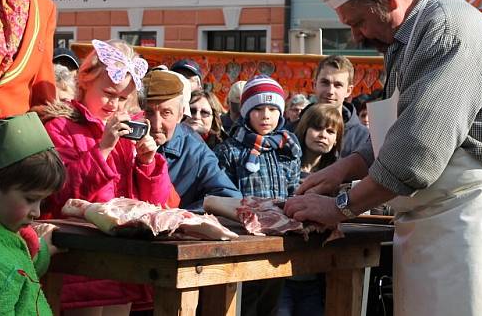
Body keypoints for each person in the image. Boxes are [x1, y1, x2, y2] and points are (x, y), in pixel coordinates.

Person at [284, 0, 482, 316]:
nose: (356, 36)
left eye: (359, 21)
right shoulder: (412, 37)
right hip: (437, 219)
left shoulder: (446, 28)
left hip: (467, 222)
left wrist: (340, 207)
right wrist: (343, 168)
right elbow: (398, 128)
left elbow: (416, 150)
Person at [38, 39, 170, 315]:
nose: (114, 103)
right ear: (85, 81)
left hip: (122, 261)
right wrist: (103, 148)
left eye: (123, 98)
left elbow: (153, 206)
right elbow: (58, 193)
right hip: (77, 260)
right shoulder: (61, 126)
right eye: (109, 93)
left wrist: (149, 165)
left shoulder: (128, 132)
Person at [214, 75, 301, 316]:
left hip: (279, 237)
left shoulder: (287, 147)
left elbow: (294, 189)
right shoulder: (230, 150)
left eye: (273, 109)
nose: (266, 116)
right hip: (242, 238)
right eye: (258, 109)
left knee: (271, 301)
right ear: (246, 112)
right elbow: (224, 195)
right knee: (243, 301)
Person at [0, 112, 66, 316]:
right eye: (30, 199)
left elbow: (20, 265)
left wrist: (43, 250)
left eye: (42, 201)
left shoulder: (0, 234)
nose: (36, 212)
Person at [278, 103, 344, 316]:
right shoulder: (284, 168)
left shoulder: (338, 180)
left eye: (330, 131)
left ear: (336, 140)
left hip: (314, 276)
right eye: (317, 127)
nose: (323, 135)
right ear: (304, 129)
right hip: (281, 275)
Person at [141, 70, 241, 210]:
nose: (156, 124)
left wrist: (180, 217)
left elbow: (227, 197)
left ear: (181, 114)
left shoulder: (194, 150)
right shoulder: (122, 141)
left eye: (166, 113)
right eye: (148, 112)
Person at [309, 55, 371, 159]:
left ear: (348, 91)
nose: (330, 91)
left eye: (338, 85)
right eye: (325, 83)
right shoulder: (295, 130)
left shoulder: (364, 138)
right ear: (314, 85)